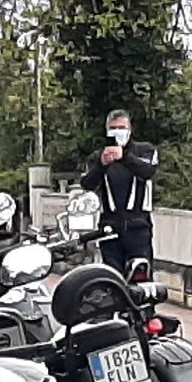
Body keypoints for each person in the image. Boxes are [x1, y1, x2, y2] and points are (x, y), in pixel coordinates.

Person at [74, 110, 158, 275]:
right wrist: (101, 165)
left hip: (138, 227)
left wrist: (124, 156)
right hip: (109, 228)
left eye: (122, 128)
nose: (118, 132)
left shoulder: (145, 150)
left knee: (141, 276)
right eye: (113, 128)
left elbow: (148, 171)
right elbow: (88, 184)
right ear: (107, 131)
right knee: (112, 278)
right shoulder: (98, 157)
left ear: (130, 129)